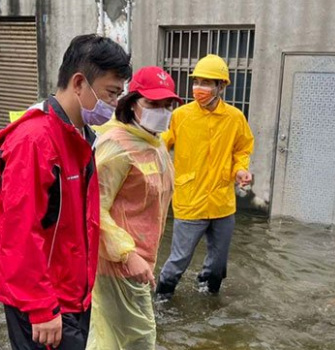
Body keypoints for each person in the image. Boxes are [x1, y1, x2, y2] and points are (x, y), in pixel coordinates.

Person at [0, 34, 131, 350]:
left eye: (119, 95)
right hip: (44, 301)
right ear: (79, 83)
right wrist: (41, 307)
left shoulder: (80, 136)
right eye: (110, 93)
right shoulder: (35, 141)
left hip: (72, 294)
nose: (114, 104)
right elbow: (19, 233)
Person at [85, 66, 180, 349]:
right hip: (118, 263)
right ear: (132, 102)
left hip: (141, 259)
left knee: (113, 337)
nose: (162, 111)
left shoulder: (154, 141)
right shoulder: (117, 145)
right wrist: (128, 255)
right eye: (152, 104)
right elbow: (93, 209)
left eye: (167, 105)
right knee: (139, 338)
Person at [156, 54, 255, 301]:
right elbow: (159, 145)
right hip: (190, 200)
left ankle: (208, 297)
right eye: (197, 81)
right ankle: (161, 299)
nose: (199, 88)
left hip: (222, 203)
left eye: (207, 82)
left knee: (218, 264)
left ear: (221, 86)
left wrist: (240, 170)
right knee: (179, 259)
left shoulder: (234, 118)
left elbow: (241, 149)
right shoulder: (181, 116)